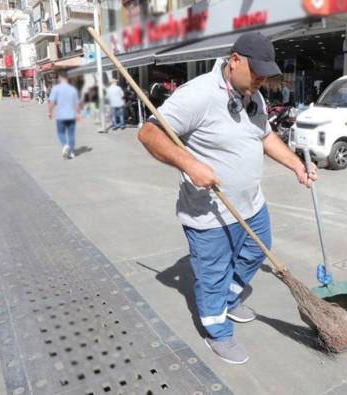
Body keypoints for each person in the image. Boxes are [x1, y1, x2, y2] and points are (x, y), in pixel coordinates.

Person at [137, 32, 317, 365]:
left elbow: (264, 135)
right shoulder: (199, 95)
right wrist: (191, 164)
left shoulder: (255, 95)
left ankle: (228, 300)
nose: (262, 79)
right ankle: (216, 331)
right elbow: (148, 133)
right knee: (212, 274)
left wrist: (295, 164)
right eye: (257, 70)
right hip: (211, 214)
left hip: (252, 205)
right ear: (235, 60)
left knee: (256, 249)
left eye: (267, 72)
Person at [48, 73, 81, 159]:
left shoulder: (56, 89)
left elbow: (51, 102)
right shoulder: (73, 89)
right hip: (71, 116)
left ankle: (65, 145)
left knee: (60, 133)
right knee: (71, 135)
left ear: (60, 78)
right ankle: (72, 153)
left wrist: (50, 112)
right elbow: (77, 104)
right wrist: (78, 114)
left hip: (61, 116)